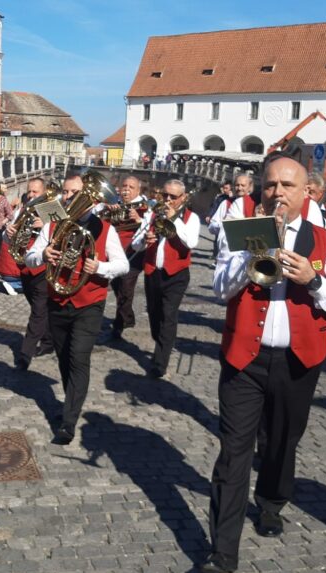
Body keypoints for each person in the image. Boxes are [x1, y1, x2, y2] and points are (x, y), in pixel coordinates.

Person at [202, 153, 326, 573]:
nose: (277, 194)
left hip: (297, 359)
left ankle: (271, 501)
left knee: (281, 441)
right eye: (270, 185)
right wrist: (253, 259)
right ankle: (222, 553)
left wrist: (314, 280)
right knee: (233, 453)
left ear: (305, 191)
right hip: (244, 359)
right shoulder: (245, 230)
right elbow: (220, 289)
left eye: (287, 186)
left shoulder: (324, 238)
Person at [25, 173, 129, 445]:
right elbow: (30, 256)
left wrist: (101, 268)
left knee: (79, 356)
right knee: (63, 358)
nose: (69, 198)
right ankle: (71, 400)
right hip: (58, 299)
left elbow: (123, 265)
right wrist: (44, 254)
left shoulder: (106, 229)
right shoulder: (51, 223)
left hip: (89, 303)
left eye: (75, 193)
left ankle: (68, 422)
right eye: (67, 193)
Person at [131, 179, 200, 379]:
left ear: (183, 198)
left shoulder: (191, 218)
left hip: (176, 274)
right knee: (154, 313)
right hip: (153, 271)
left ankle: (160, 362)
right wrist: (144, 240)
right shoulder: (152, 215)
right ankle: (160, 341)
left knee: (168, 315)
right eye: (165, 195)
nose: (168, 200)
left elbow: (191, 242)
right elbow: (136, 244)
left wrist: (174, 219)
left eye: (173, 197)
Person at [4, 177, 54, 370]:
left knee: (38, 313)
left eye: (36, 192)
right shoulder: (22, 211)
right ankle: (49, 341)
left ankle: (25, 353)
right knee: (38, 307)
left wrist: (46, 227)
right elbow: (9, 241)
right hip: (25, 266)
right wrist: (7, 234)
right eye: (29, 192)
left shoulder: (52, 210)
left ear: (45, 192)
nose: (32, 195)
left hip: (43, 268)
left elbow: (63, 237)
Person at [107, 175, 152, 340]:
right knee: (118, 286)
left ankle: (118, 326)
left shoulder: (146, 207)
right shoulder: (115, 203)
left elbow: (152, 227)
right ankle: (128, 317)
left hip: (134, 254)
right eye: (124, 186)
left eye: (131, 187)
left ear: (138, 190)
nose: (126, 189)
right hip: (115, 252)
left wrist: (139, 219)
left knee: (126, 288)